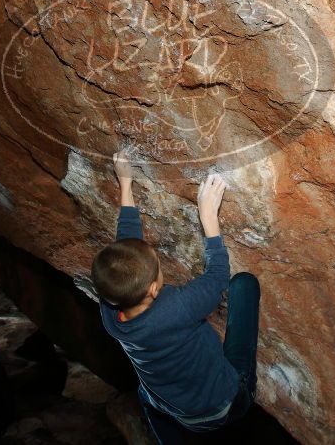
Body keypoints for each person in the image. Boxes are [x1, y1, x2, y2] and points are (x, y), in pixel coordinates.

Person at [92, 151, 261, 443]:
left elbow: (124, 252)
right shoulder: (177, 307)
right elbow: (217, 277)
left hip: (174, 409)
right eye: (158, 268)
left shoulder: (111, 311)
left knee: (147, 394)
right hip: (225, 406)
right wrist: (208, 216)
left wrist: (126, 184)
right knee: (244, 284)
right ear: (154, 290)